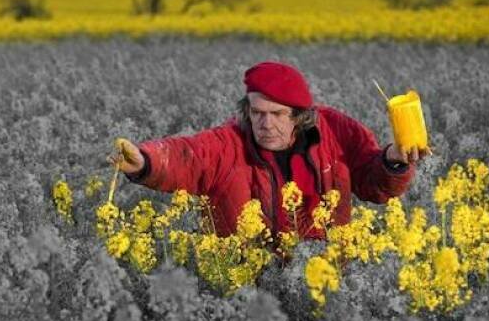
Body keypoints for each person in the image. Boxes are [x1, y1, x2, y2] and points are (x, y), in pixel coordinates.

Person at [110, 61, 430, 257]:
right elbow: (189, 156)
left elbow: (373, 183)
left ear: (299, 115)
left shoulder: (336, 130)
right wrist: (145, 161)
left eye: (277, 114)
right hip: (246, 277)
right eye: (257, 113)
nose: (265, 124)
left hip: (325, 270)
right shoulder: (230, 142)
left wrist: (393, 161)